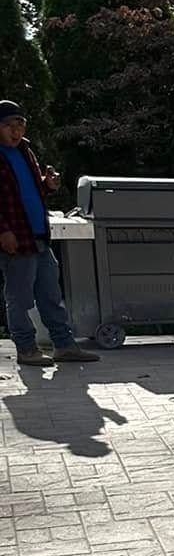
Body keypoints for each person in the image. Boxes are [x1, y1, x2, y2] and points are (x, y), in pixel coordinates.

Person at [0, 100, 98, 365]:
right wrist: (3, 231)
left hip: (40, 234)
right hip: (15, 237)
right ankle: (26, 348)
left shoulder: (25, 151)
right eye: (9, 126)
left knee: (51, 294)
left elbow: (31, 192)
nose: (16, 131)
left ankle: (64, 345)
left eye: (20, 125)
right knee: (19, 298)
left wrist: (48, 184)